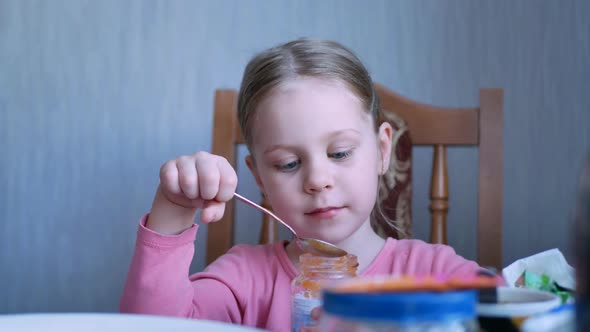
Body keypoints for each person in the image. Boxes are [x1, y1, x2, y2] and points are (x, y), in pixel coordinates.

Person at [120, 38, 481, 331]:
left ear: (382, 150)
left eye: (339, 153)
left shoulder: (437, 276)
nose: (318, 180)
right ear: (259, 176)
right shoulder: (243, 280)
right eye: (288, 164)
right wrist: (173, 210)